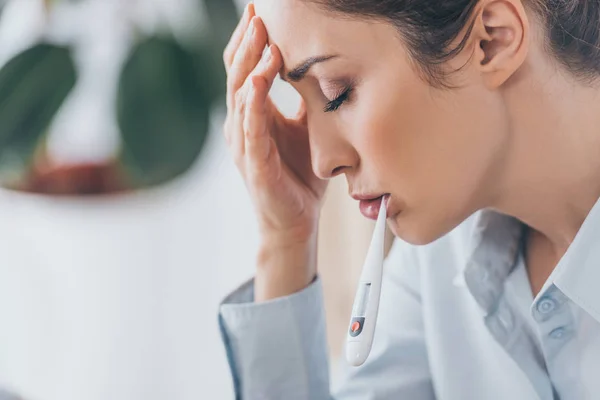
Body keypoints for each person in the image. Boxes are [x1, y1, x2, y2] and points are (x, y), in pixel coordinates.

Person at [218, 0, 600, 398]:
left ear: (492, 40)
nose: (322, 162)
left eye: (337, 92)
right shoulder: (440, 259)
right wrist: (286, 240)